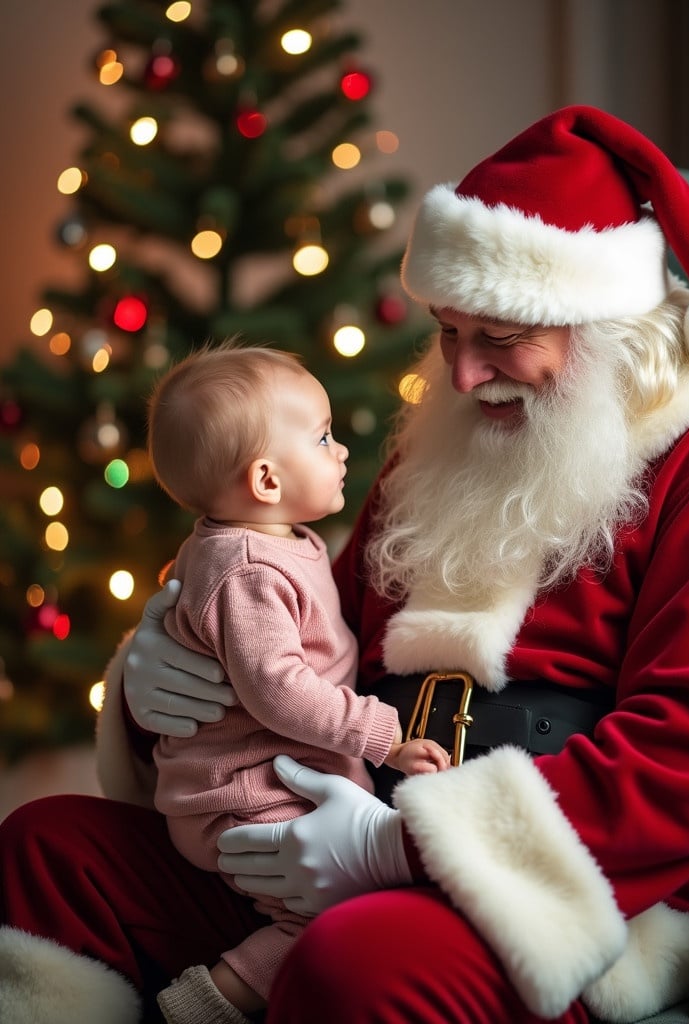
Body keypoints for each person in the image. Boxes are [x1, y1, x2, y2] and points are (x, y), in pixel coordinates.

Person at [2, 103, 689, 1024]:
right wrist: (166, 669)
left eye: (500, 336)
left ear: (603, 322)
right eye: (449, 331)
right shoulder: (453, 437)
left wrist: (399, 846)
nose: (463, 374)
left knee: (353, 966)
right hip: (345, 806)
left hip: (570, 886)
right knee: (48, 851)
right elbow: (312, 637)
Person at [146, 344, 449, 1023]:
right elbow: (279, 689)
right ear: (265, 480)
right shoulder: (248, 569)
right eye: (322, 437)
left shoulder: (273, 539)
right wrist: (386, 738)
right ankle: (203, 1006)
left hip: (263, 773)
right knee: (332, 915)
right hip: (242, 792)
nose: (341, 451)